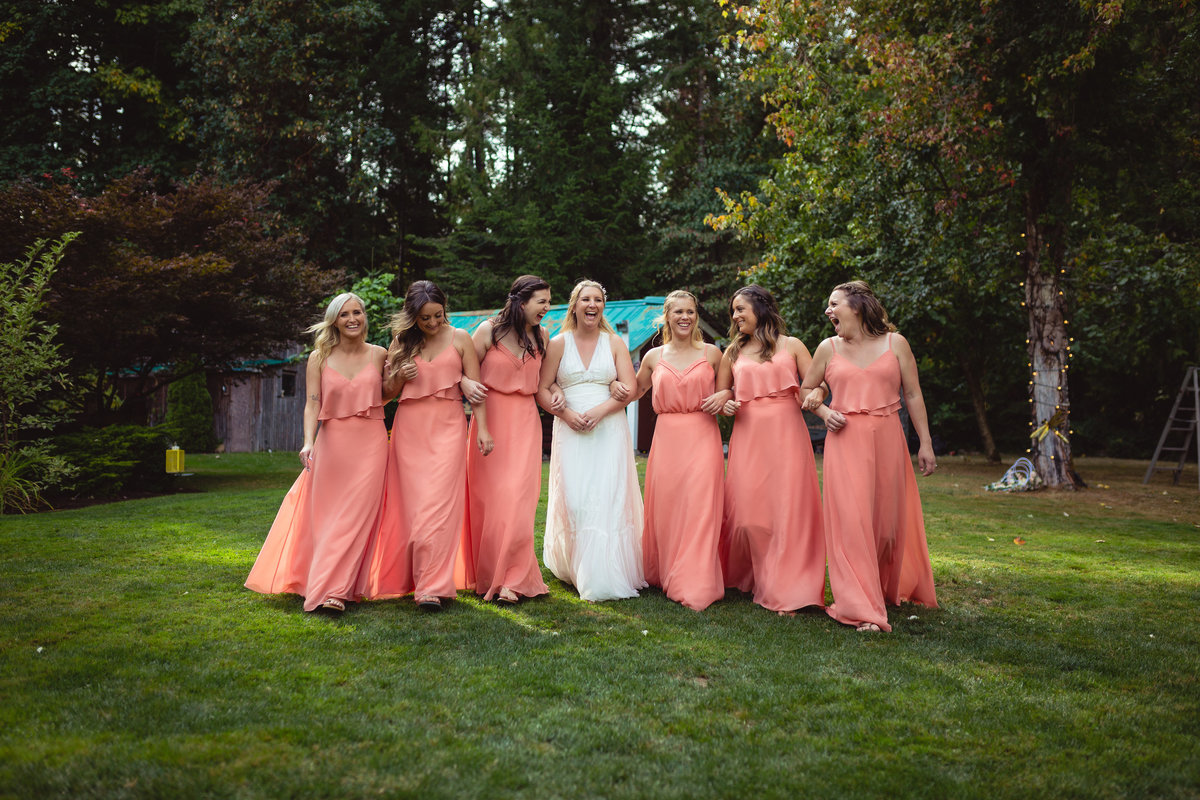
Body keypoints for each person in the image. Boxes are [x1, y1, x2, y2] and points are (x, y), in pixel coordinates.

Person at [800, 280, 938, 632]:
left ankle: (881, 587)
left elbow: (914, 394)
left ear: (857, 307)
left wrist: (925, 443)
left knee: (885, 525)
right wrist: (823, 409)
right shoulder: (827, 348)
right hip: (845, 442)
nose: (828, 311)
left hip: (889, 440)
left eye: (834, 304)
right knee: (851, 523)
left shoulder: (896, 344)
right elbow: (806, 389)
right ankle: (862, 608)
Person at [245, 293, 389, 614]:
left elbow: (387, 394)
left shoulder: (380, 355)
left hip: (372, 443)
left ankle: (335, 590)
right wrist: (308, 441)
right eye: (344, 314)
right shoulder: (319, 357)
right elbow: (313, 403)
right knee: (329, 518)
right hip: (333, 443)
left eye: (358, 312)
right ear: (334, 320)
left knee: (357, 518)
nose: (352, 319)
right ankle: (328, 583)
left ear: (364, 317)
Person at [363, 280, 488, 611]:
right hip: (409, 430)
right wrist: (399, 377)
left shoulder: (460, 338)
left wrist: (483, 430)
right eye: (425, 319)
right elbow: (384, 394)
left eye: (438, 315)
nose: (433, 324)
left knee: (439, 508)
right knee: (414, 511)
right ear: (412, 318)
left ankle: (431, 587)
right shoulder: (401, 342)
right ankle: (414, 579)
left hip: (448, 426)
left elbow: (477, 388)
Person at [714, 284, 832, 615]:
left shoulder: (792, 345)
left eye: (740, 309)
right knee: (751, 517)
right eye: (733, 311)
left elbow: (816, 382)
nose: (735, 316)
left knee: (788, 511)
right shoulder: (733, 352)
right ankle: (758, 576)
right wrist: (726, 405)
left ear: (761, 308)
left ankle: (789, 589)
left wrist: (818, 395)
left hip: (788, 434)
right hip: (749, 436)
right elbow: (722, 392)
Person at [537, 279, 646, 601]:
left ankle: (604, 572)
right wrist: (566, 414)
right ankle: (574, 565)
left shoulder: (613, 343)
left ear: (603, 306)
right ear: (575, 305)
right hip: (569, 430)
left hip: (608, 428)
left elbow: (628, 389)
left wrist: (599, 412)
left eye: (598, 300)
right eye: (586, 299)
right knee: (576, 498)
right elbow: (542, 388)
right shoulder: (558, 343)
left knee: (607, 496)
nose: (592, 305)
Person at [459, 275, 553, 604]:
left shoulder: (543, 336)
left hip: (526, 422)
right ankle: (489, 576)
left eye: (548, 301)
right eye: (541, 301)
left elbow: (546, 382)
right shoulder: (488, 331)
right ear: (521, 302)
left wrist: (558, 397)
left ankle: (514, 579)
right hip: (490, 421)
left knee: (519, 502)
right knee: (491, 502)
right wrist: (463, 383)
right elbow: (459, 368)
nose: (547, 306)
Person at [631, 290, 726, 611]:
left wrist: (725, 398)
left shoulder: (713, 354)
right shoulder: (653, 357)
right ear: (667, 317)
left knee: (700, 505)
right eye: (678, 312)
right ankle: (665, 570)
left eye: (690, 312)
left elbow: (729, 390)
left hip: (703, 435)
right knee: (669, 507)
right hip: (667, 438)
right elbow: (632, 391)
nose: (685, 317)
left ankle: (694, 580)